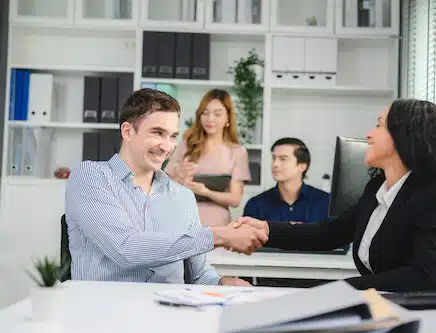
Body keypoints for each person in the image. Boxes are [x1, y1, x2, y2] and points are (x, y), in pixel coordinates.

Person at [234, 98, 436, 292]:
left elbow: (423, 277)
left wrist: (342, 290)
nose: (369, 134)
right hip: (381, 307)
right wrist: (266, 229)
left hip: (417, 316)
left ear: (403, 137)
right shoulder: (377, 189)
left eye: (379, 125)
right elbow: (330, 233)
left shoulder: (432, 197)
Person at [65, 88, 267, 286]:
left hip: (170, 312)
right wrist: (220, 235)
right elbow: (125, 249)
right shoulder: (91, 177)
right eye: (157, 133)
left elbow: (200, 276)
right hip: (106, 313)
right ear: (127, 131)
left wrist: (223, 283)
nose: (167, 147)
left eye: (172, 136)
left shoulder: (183, 196)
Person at [164, 89, 251, 227]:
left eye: (217, 114)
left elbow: (235, 199)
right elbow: (164, 189)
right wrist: (180, 179)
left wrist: (206, 192)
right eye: (205, 113)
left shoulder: (237, 152)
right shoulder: (186, 146)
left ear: (228, 117)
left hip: (217, 224)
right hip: (182, 220)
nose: (210, 119)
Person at [243, 137, 330, 224]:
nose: (275, 164)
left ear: (302, 166)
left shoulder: (326, 202)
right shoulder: (256, 204)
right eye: (273, 158)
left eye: (283, 159)